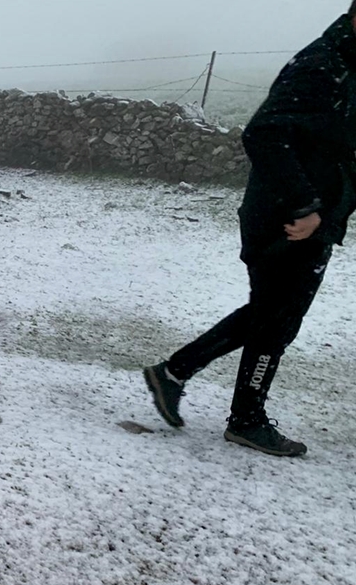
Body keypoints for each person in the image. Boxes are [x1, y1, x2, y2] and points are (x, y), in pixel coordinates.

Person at [144, 7, 356, 457]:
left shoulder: (346, 67)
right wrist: (305, 205)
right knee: (275, 319)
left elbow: (334, 147)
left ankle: (177, 375)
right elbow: (264, 133)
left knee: (270, 315)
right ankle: (243, 417)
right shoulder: (322, 66)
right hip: (288, 219)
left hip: (313, 217)